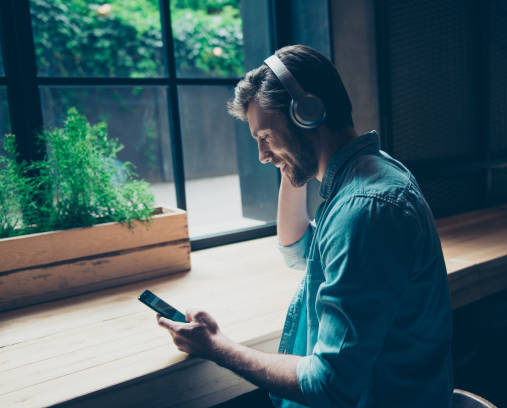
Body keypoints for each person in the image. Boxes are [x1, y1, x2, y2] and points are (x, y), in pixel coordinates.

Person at [156, 44, 453, 407]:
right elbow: (299, 251)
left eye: (264, 138)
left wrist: (216, 346)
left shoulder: (364, 209)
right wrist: (290, 164)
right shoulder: (369, 175)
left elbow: (327, 386)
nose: (263, 156)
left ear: (307, 113)